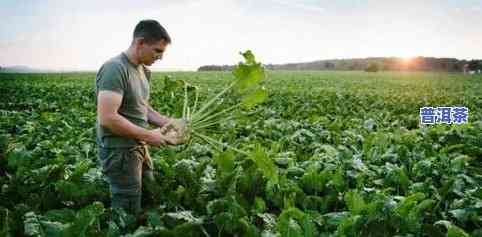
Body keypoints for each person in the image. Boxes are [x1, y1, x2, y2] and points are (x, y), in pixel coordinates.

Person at [95, 19, 184, 216]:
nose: (160, 57)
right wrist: (149, 136)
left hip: (139, 147)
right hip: (120, 151)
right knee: (127, 208)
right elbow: (108, 118)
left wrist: (170, 123)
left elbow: (142, 108)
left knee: (150, 195)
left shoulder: (144, 71)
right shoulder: (115, 68)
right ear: (140, 43)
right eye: (157, 51)